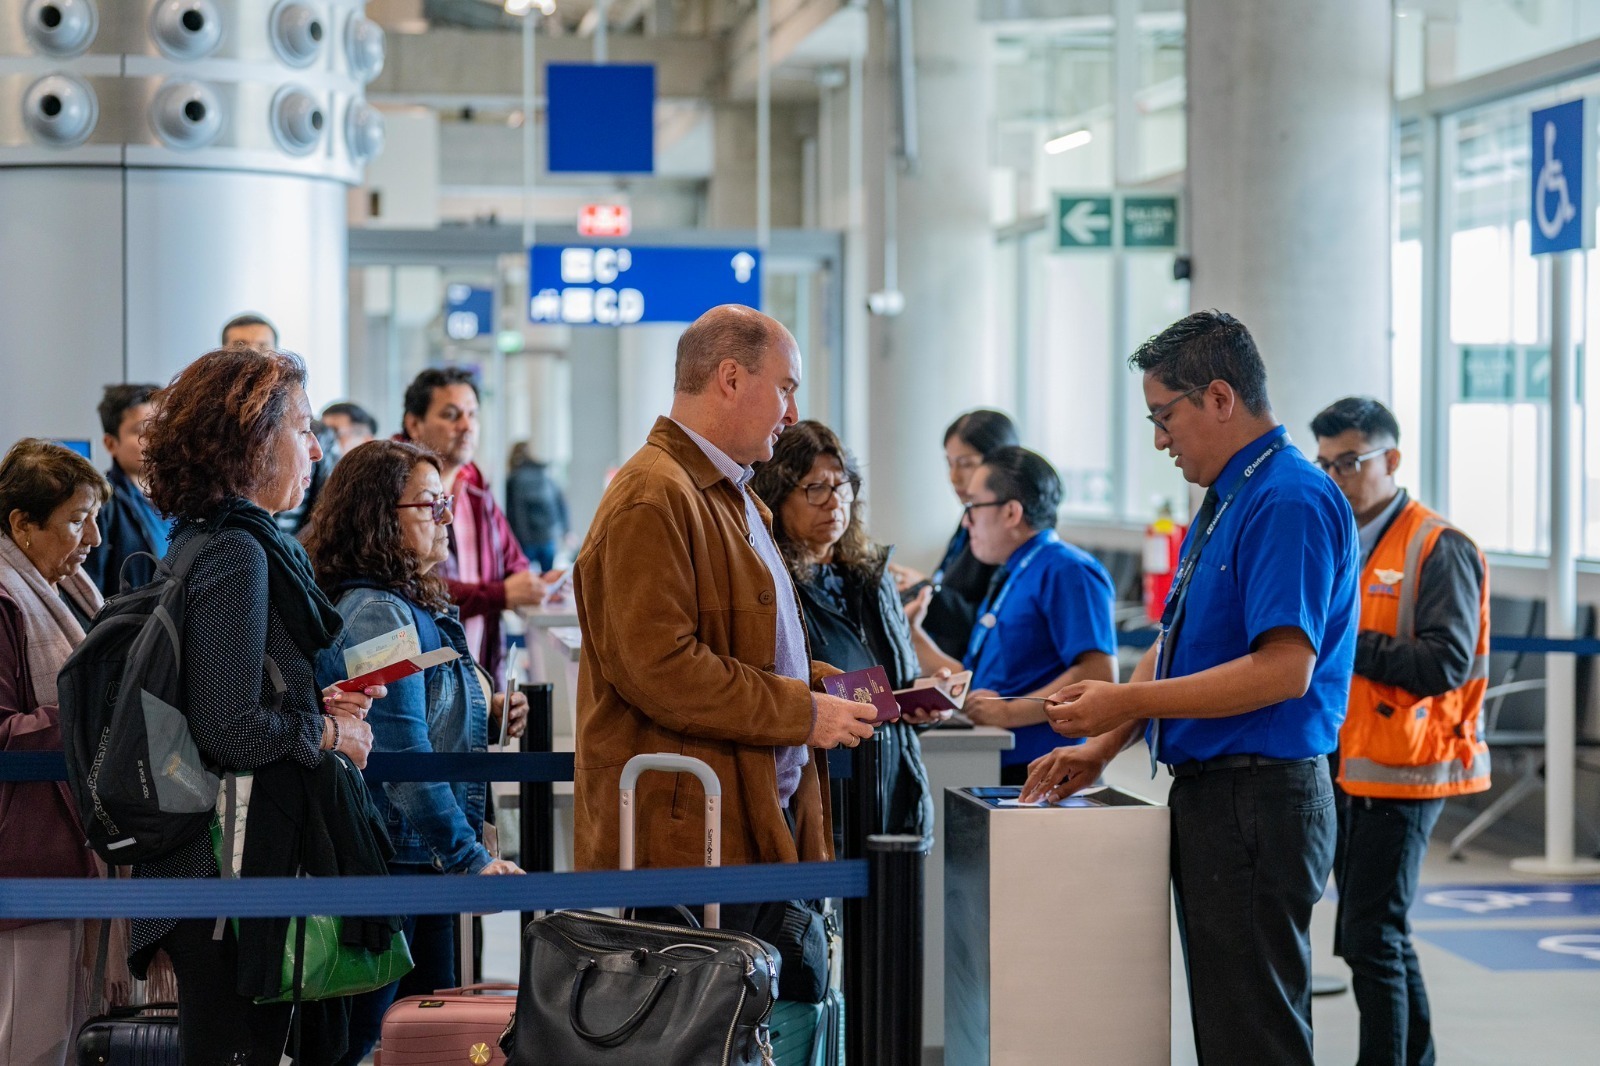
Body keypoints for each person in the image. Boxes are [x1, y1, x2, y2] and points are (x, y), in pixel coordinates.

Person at [1023, 310, 1359, 1065]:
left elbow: (1285, 669)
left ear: (1219, 397)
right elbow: (1171, 643)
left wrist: (1126, 703)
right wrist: (1103, 746)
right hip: (1221, 795)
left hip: (1260, 794)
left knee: (1254, 1036)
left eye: (1163, 416)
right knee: (1230, 1022)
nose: (1159, 440)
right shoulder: (1230, 497)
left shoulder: (1288, 499)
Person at [132, 347, 383, 1063]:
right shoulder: (236, 552)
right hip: (226, 868)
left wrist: (310, 705)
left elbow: (231, 692)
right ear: (252, 442)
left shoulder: (209, 539)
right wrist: (328, 733)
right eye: (302, 430)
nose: (316, 450)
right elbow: (230, 728)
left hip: (227, 864)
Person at [573, 304, 877, 872]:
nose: (792, 414)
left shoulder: (726, 493)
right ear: (731, 378)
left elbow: (738, 645)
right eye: (785, 388)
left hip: (742, 815)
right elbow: (662, 669)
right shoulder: (652, 497)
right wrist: (802, 711)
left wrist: (818, 684)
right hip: (687, 838)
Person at [305, 439, 527, 1066]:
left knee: (428, 1041)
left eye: (445, 501)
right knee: (376, 1040)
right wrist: (468, 857)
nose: (446, 517)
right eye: (430, 504)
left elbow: (422, 716)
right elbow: (403, 756)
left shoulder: (403, 601)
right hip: (397, 861)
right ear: (380, 516)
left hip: (414, 859)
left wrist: (488, 710)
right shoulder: (378, 612)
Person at [1311, 396, 1489, 1066]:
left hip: (1408, 768)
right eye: (1325, 464)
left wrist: (1343, 641)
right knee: (1377, 932)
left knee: (1370, 937)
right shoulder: (1347, 540)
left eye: (1348, 462)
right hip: (1350, 763)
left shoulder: (1438, 546)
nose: (1336, 477)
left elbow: (1442, 663)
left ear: (1391, 459)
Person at [750, 420, 938, 843]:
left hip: (896, 791)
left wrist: (924, 702)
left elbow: (899, 678)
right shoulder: (770, 583)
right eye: (816, 488)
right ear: (778, 495)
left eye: (843, 487)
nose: (834, 503)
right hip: (826, 795)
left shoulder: (873, 575)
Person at [906, 446, 1117, 786]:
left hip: (1043, 771)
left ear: (1011, 512)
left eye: (973, 507)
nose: (966, 521)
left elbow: (1099, 673)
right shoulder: (1013, 573)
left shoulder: (1067, 569)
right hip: (994, 760)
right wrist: (912, 634)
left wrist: (1010, 711)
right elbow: (981, 685)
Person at [0, 439, 111, 1065]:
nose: (93, 537)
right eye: (77, 519)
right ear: (23, 524)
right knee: (29, 1042)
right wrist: (96, 709)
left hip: (63, 843)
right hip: (23, 855)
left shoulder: (65, 589)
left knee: (60, 1040)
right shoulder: (5, 598)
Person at [401, 367, 555, 679]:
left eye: (472, 415)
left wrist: (540, 584)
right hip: (422, 671)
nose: (466, 426)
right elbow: (410, 582)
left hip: (479, 670)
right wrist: (500, 594)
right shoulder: (393, 486)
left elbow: (513, 562)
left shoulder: (475, 487)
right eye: (451, 415)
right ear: (414, 424)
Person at [890, 410, 1020, 660]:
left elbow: (989, 620)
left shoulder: (1007, 533)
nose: (954, 477)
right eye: (950, 464)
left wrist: (927, 590)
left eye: (966, 464)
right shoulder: (968, 516)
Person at [83, 384, 173, 596]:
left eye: (160, 427)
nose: (154, 438)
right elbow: (90, 593)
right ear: (110, 443)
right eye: (141, 431)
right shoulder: (101, 506)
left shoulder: (182, 500)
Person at [504, 441, 570, 572]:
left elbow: (512, 512)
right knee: (549, 577)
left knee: (524, 578)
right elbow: (561, 503)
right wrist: (566, 530)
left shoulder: (513, 478)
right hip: (548, 536)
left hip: (524, 539)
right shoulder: (545, 474)